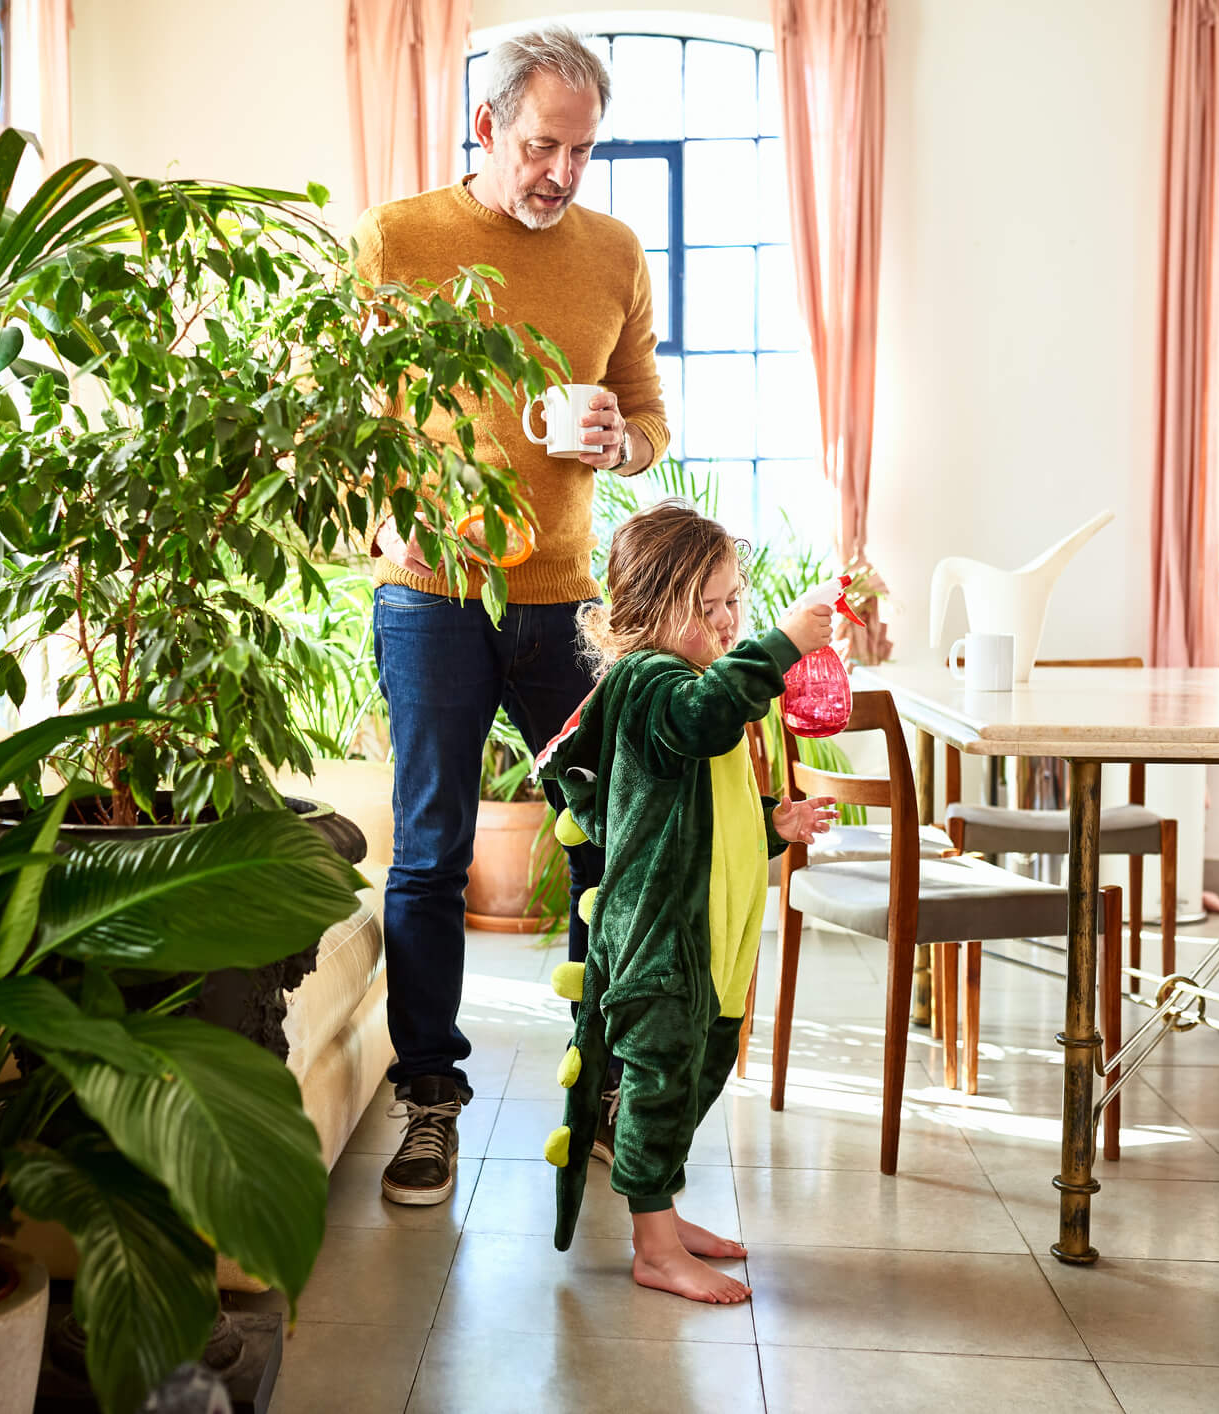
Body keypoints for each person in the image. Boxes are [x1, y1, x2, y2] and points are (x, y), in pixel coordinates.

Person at [357, 24, 669, 1207]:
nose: (562, 173)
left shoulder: (614, 251)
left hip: (565, 603)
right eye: (544, 145)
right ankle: (429, 1102)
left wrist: (619, 442)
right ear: (487, 125)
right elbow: (341, 416)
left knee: (609, 843)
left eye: (583, 151)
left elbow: (647, 417)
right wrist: (376, 528)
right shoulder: (399, 241)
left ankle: (599, 1093)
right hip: (431, 597)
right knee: (431, 854)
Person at [536, 502, 836, 1304]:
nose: (732, 619)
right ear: (651, 609)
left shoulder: (699, 680)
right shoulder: (649, 682)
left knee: (696, 1076)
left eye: (736, 601)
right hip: (660, 936)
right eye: (711, 608)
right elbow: (699, 726)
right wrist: (783, 646)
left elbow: (710, 818)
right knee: (659, 1082)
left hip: (715, 938)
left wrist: (776, 825)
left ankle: (661, 1215)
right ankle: (653, 1247)